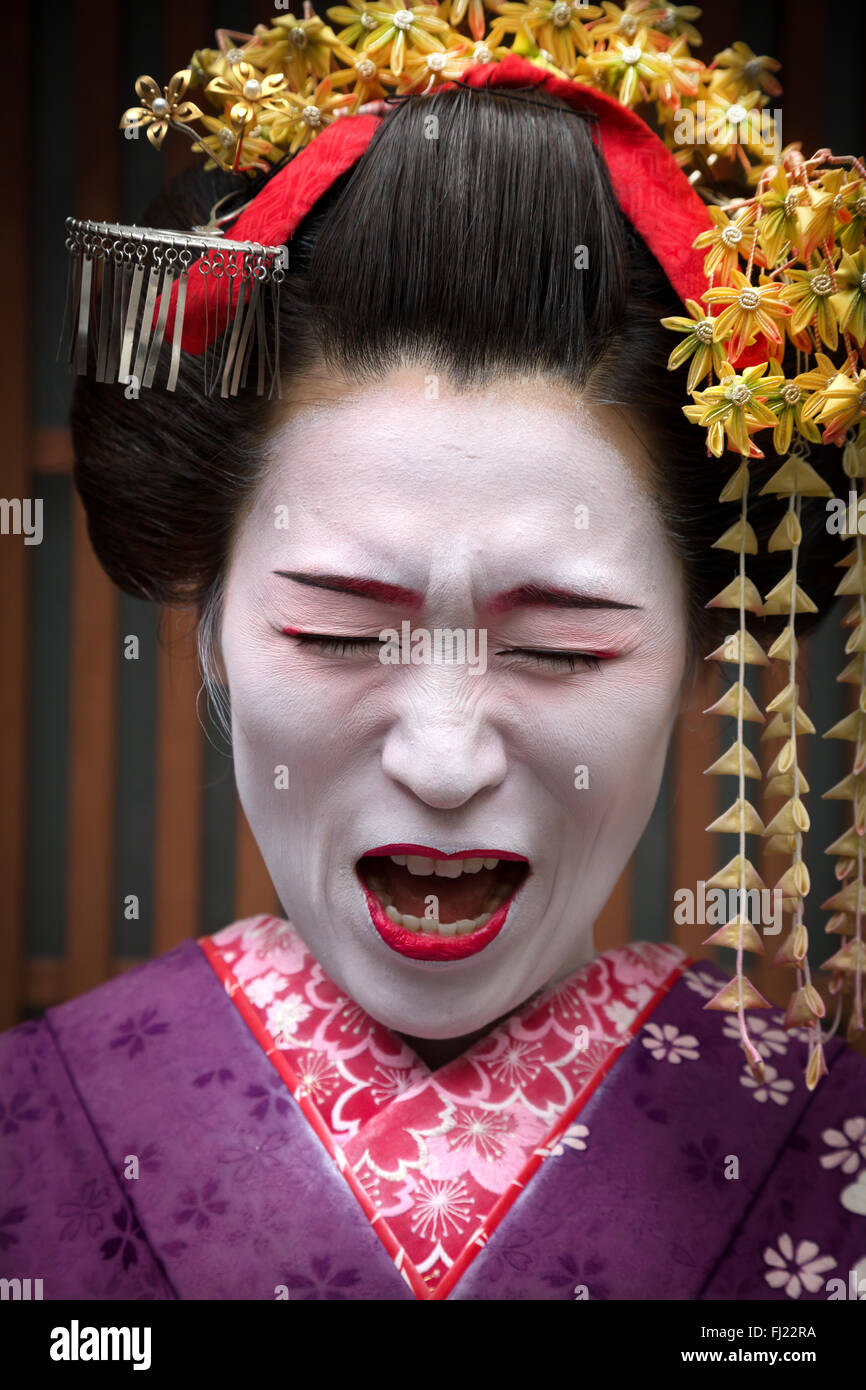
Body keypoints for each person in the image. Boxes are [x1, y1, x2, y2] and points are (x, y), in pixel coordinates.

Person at [2, 10, 865, 1301]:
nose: (445, 757)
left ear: (700, 652)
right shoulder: (36, 1125)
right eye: (337, 632)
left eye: (563, 648)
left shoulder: (822, 1153)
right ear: (215, 621)